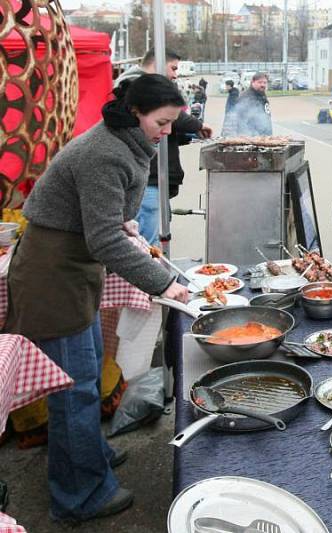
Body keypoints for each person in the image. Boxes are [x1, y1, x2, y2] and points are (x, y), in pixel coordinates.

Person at [4, 73, 191, 523]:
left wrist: (123, 222)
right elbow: (104, 239)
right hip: (54, 274)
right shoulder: (105, 152)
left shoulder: (124, 140)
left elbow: (105, 218)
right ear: (135, 112)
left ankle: (90, 458)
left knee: (85, 374)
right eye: (162, 123)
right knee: (75, 390)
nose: (167, 132)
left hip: (73, 268)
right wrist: (162, 284)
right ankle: (78, 495)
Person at [117, 49, 213, 244]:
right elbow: (168, 111)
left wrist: (186, 135)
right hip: (147, 177)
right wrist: (197, 125)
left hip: (152, 175)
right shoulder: (138, 84)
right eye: (173, 68)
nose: (175, 74)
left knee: (153, 239)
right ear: (157, 63)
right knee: (145, 242)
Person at [223, 72, 272, 137]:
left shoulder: (261, 94)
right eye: (259, 82)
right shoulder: (246, 97)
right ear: (253, 82)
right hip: (253, 138)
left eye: (265, 82)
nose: (262, 85)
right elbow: (239, 121)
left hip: (265, 136)